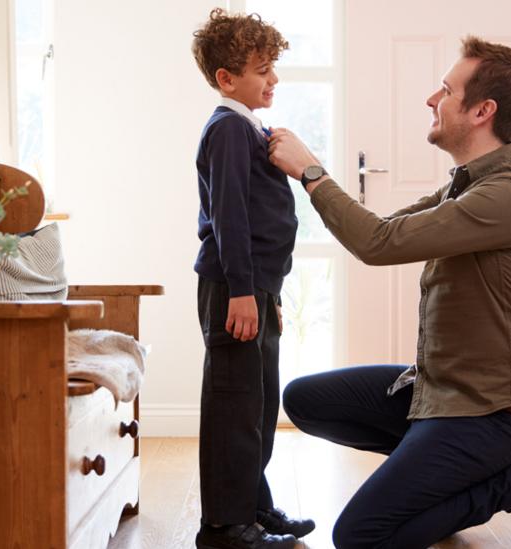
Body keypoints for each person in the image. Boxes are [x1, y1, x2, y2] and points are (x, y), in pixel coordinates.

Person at [267, 36, 511, 549]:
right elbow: (379, 229)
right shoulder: (464, 185)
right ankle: (441, 485)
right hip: (436, 392)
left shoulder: (507, 196)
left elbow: (375, 243)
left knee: (359, 536)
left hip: (490, 413)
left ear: (482, 111)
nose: (431, 100)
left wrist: (311, 170)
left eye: (445, 90)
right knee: (305, 401)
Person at [190, 9, 315, 549]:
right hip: (233, 288)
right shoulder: (228, 130)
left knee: (259, 403)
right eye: (262, 69)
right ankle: (224, 527)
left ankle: (254, 509)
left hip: (256, 289)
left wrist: (267, 294)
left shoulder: (249, 127)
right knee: (234, 406)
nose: (274, 79)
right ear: (226, 78)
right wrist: (241, 290)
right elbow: (231, 216)